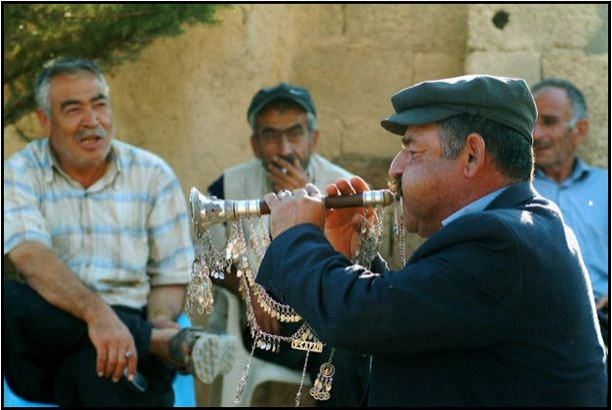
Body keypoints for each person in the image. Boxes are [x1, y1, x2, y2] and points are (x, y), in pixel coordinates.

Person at [256, 75, 607, 406]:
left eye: (412, 150)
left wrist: (296, 233)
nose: (395, 169)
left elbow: (362, 316)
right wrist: (356, 257)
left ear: (472, 154)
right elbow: (408, 315)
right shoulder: (516, 225)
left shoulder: (502, 240)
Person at [3, 58, 218, 406]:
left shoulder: (152, 174)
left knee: (99, 368)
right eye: (73, 109)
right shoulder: (19, 172)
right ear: (45, 120)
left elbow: (170, 276)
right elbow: (30, 257)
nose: (92, 121)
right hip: (48, 336)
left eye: (100, 105)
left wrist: (159, 321)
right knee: (8, 297)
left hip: (125, 335)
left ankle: (144, 341)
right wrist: (99, 317)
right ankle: (155, 342)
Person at [206, 82, 369, 406]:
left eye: (294, 134)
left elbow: (357, 262)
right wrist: (246, 285)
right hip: (261, 325)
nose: (284, 149)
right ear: (255, 145)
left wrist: (307, 209)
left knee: (350, 353)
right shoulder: (227, 186)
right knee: (340, 359)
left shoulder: (343, 190)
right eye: (271, 136)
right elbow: (208, 258)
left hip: (324, 316)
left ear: (314, 138)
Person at [531, 78, 608, 321]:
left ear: (580, 130)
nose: (536, 134)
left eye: (549, 122)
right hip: (535, 323)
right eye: (530, 123)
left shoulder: (605, 187)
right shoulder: (512, 188)